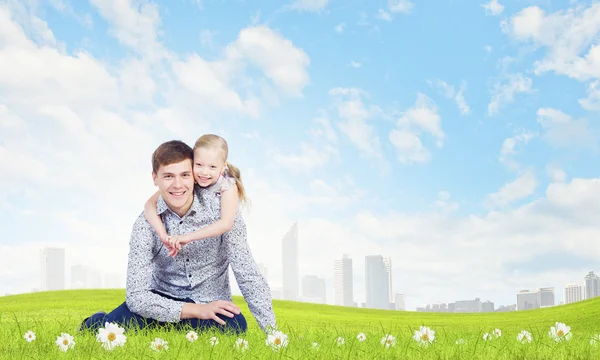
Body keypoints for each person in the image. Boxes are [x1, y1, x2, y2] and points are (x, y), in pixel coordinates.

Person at [79, 140, 276, 335]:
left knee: (234, 326)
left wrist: (272, 333)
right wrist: (195, 311)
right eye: (168, 176)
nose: (177, 184)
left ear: (194, 176)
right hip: (162, 301)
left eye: (184, 175)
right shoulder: (146, 224)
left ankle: (159, 330)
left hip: (210, 302)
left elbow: (247, 273)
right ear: (155, 178)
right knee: (108, 329)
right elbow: (137, 297)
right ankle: (99, 321)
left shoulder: (223, 212)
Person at [144, 134, 246, 257]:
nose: (204, 172)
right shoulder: (189, 178)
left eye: (212, 167)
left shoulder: (228, 186)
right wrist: (163, 235)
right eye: (199, 165)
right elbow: (149, 205)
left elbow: (226, 224)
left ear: (223, 167)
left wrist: (188, 237)